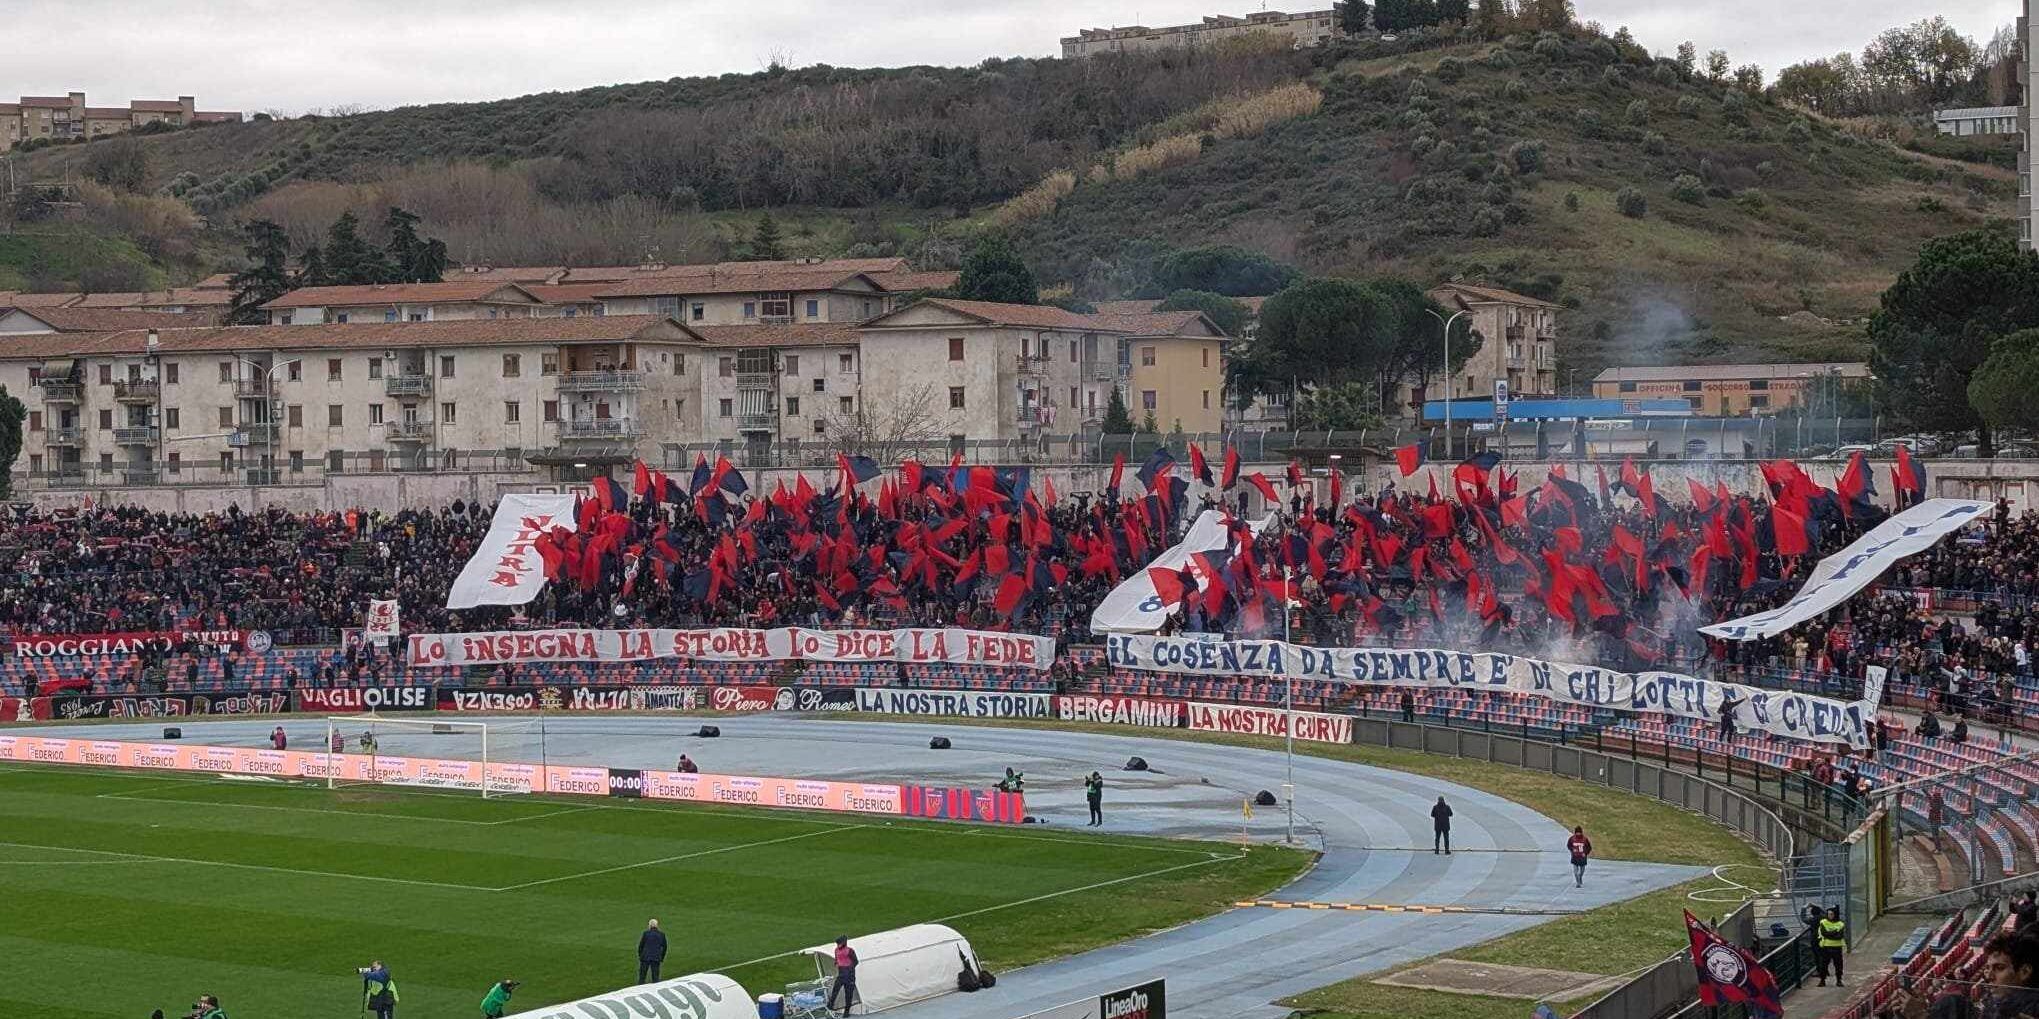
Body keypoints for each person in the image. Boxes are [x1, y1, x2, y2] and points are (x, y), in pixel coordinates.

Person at [828, 935, 860, 1016]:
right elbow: (837, 959)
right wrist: (837, 963)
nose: (838, 945)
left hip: (850, 975)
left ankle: (847, 1011)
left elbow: (856, 961)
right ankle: (830, 1005)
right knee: (835, 989)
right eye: (837, 944)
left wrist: (849, 968)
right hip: (841, 973)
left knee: (848, 994)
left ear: (844, 943)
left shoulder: (850, 951)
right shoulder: (836, 950)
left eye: (839, 944)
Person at [1816, 907, 1847, 986]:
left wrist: (1829, 934)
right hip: (1826, 947)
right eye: (1829, 914)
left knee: (1838, 965)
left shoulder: (1840, 924)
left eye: (1832, 914)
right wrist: (1835, 932)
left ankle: (1839, 980)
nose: (1830, 916)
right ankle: (1822, 980)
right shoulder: (1823, 922)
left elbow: (1839, 936)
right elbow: (1824, 933)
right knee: (1824, 964)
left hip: (1837, 947)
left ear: (1835, 914)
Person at [638, 919, 668, 984]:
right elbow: (665, 947)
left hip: (645, 957)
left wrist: (641, 956)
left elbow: (640, 946)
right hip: (656, 957)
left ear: (650, 925)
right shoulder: (661, 934)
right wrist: (661, 958)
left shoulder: (646, 933)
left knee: (642, 977)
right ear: (657, 925)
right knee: (655, 978)